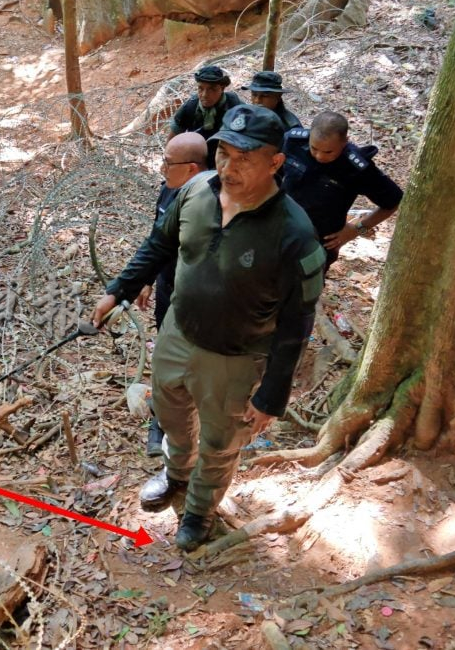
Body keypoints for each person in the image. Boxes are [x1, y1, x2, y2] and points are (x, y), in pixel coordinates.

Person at [92, 105, 325, 551]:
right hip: (176, 334)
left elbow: (298, 323)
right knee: (171, 416)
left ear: (275, 162)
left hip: (234, 357)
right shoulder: (196, 191)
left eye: (244, 159)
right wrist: (119, 289)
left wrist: (271, 396)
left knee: (220, 441)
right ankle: (176, 473)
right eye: (223, 154)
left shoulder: (294, 233)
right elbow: (159, 243)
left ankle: (200, 508)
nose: (228, 168)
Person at [136, 133, 211, 457]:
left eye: (168, 162)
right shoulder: (168, 189)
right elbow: (158, 238)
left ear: (192, 168)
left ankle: (197, 426)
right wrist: (146, 279)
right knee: (165, 357)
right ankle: (160, 423)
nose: (162, 168)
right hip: (168, 287)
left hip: (201, 299)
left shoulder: (214, 200)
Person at [281, 111, 404, 269]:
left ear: (345, 142)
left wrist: (357, 229)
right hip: (281, 229)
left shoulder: (356, 168)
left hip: (317, 243)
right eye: (314, 148)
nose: (319, 156)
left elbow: (393, 201)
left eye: (328, 152)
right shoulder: (293, 142)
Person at [168, 66, 242, 169]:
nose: (205, 95)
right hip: (197, 159)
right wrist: (170, 163)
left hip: (226, 159)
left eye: (212, 89)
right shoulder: (190, 107)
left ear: (222, 88)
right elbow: (173, 138)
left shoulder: (234, 105)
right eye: (200, 88)